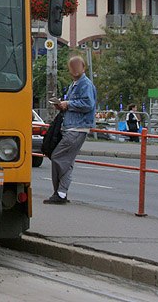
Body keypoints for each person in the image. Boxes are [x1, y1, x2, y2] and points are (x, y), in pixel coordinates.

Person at [44, 55, 97, 204]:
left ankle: (60, 193)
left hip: (77, 128)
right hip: (72, 127)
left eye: (77, 67)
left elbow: (88, 104)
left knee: (57, 157)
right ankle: (60, 193)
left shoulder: (85, 84)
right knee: (66, 161)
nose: (74, 70)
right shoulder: (75, 84)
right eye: (72, 67)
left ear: (83, 68)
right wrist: (62, 105)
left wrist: (68, 104)